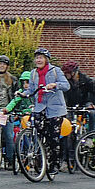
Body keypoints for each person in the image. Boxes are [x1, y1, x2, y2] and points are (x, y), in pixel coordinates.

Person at [29, 48, 70, 177]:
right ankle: (40, 157)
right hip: (40, 107)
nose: (38, 60)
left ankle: (54, 164)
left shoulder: (55, 71)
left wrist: (55, 85)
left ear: (46, 59)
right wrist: (21, 94)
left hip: (55, 109)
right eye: (37, 58)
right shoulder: (33, 74)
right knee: (38, 132)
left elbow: (66, 85)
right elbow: (31, 90)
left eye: (41, 57)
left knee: (53, 137)